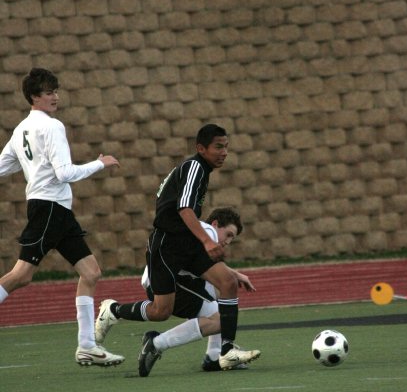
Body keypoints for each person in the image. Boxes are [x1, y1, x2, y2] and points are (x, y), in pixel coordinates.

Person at [97, 124, 255, 374]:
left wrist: (228, 267)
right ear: (200, 148)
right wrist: (206, 241)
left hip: (186, 243)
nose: (224, 152)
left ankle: (226, 351)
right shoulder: (195, 167)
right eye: (218, 147)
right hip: (167, 244)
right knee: (161, 311)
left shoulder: (202, 171)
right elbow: (184, 209)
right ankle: (113, 310)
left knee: (227, 282)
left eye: (226, 147)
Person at [0, 67, 124, 367]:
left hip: (56, 210)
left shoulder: (21, 130)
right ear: (34, 96)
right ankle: (87, 345)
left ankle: (86, 346)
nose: (55, 96)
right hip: (49, 209)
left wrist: (34, 169)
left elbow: (5, 166)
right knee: (21, 276)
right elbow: (64, 173)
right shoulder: (52, 126)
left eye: (55, 90)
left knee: (91, 273)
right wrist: (99, 163)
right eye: (48, 92)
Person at [95, 207, 261, 373]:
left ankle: (213, 356)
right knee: (220, 313)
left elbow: (203, 264)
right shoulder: (207, 231)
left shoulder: (201, 235)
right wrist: (233, 276)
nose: (228, 242)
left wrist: (234, 275)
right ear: (215, 224)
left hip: (171, 281)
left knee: (219, 303)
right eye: (229, 234)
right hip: (170, 283)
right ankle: (155, 342)